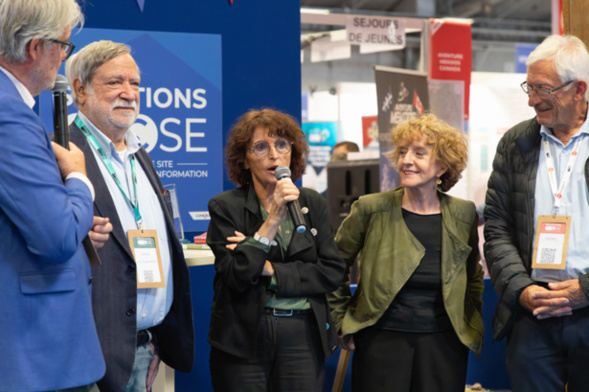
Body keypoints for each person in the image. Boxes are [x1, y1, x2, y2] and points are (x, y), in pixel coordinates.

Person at [65, 40, 194, 392]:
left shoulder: (141, 155)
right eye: (114, 82)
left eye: (135, 83)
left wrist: (152, 342)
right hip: (92, 355)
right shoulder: (59, 154)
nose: (129, 93)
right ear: (80, 89)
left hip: (147, 347)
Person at [329, 114, 484, 392]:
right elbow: (332, 265)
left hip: (444, 344)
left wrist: (470, 324)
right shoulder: (370, 208)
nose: (406, 160)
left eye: (419, 153)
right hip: (380, 341)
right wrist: (343, 323)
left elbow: (473, 276)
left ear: (442, 166)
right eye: (402, 152)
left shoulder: (463, 213)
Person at [0, 0, 108, 391]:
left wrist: (75, 220)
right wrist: (78, 178)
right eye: (64, 45)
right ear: (34, 48)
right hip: (37, 352)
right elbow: (57, 237)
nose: (64, 56)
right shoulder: (9, 115)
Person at [206, 108, 346, 391]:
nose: (274, 154)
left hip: (302, 334)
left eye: (281, 145)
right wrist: (272, 221)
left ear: (292, 153)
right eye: (261, 147)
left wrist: (270, 269)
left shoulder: (312, 203)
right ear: (244, 160)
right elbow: (237, 275)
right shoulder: (225, 207)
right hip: (244, 335)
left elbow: (331, 271)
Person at [484, 34, 589, 392]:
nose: (531, 100)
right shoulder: (516, 144)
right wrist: (521, 289)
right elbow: (497, 229)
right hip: (534, 312)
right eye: (529, 87)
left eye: (543, 88)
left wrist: (586, 289)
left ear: (579, 90)